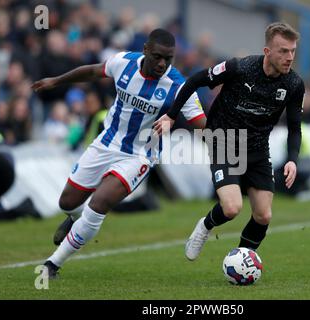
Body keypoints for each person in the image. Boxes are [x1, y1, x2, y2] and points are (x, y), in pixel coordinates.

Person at [31, 29, 206, 278]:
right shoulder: (124, 62)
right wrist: (56, 81)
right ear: (145, 49)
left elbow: (202, 123)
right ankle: (74, 219)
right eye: (157, 56)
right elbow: (93, 71)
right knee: (67, 202)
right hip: (105, 143)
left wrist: (231, 128)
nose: (162, 63)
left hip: (139, 155)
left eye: (169, 58)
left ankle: (52, 265)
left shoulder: (179, 87)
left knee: (98, 204)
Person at [154, 22, 304, 260]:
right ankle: (205, 226)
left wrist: (292, 159)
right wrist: (172, 116)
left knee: (263, 215)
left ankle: (243, 259)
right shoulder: (239, 68)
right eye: (283, 51)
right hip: (223, 141)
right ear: (267, 52)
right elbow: (193, 81)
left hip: (257, 148)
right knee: (232, 208)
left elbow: (295, 128)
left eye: (292, 51)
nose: (289, 57)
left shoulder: (294, 84)